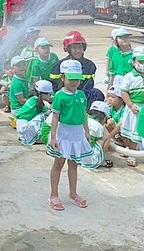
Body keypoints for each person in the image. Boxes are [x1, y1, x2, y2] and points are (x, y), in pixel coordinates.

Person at [46, 60, 92, 211]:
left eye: (77, 79)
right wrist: (53, 137)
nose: (74, 82)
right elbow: (55, 117)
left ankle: (73, 194)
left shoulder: (81, 95)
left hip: (77, 133)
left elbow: (84, 115)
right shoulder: (60, 96)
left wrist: (87, 131)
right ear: (62, 77)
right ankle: (53, 195)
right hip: (64, 133)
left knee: (74, 164)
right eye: (71, 78)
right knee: (58, 164)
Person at [52, 31, 101, 104]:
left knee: (96, 93)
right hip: (65, 98)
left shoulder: (90, 66)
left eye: (80, 47)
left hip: (82, 97)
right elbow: (54, 86)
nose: (78, 51)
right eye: (74, 48)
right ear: (68, 49)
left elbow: (88, 86)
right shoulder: (59, 65)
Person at [16, 80, 53, 146]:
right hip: (23, 125)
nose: (49, 96)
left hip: (27, 124)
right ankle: (40, 136)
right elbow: (50, 109)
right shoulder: (34, 101)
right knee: (44, 116)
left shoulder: (36, 100)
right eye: (47, 94)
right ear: (40, 93)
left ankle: (36, 137)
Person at [81, 101, 113, 170]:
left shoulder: (83, 119)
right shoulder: (99, 127)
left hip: (76, 156)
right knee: (107, 136)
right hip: (89, 160)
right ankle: (101, 160)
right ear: (104, 118)